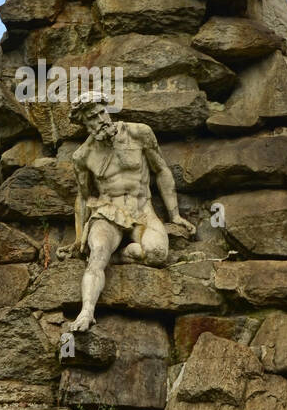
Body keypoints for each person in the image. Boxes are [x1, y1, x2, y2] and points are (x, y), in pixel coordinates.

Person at [64, 92, 194, 333]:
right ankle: (87, 311)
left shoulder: (139, 133)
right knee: (98, 254)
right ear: (84, 123)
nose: (100, 120)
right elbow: (83, 197)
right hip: (108, 211)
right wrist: (78, 237)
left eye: (102, 112)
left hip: (142, 210)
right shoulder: (82, 156)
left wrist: (174, 215)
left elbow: (162, 171)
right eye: (92, 118)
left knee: (156, 253)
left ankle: (122, 254)